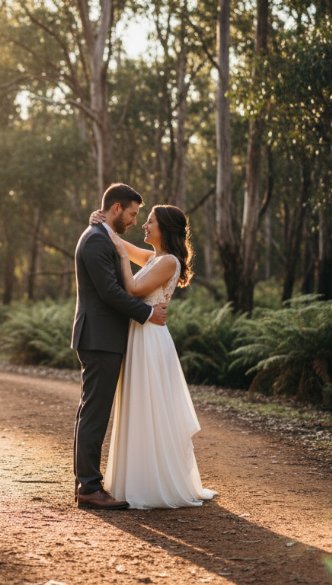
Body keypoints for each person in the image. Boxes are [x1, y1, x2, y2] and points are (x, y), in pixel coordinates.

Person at [94, 203, 216, 509]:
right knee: (139, 404)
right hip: (141, 334)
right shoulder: (154, 258)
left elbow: (134, 288)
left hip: (150, 339)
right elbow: (123, 244)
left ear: (165, 229)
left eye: (150, 222)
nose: (144, 226)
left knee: (151, 406)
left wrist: (121, 257)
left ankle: (153, 483)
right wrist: (103, 223)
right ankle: (137, 477)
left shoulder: (168, 262)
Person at [71, 183, 168, 510]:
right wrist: (148, 313)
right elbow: (111, 292)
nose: (133, 220)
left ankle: (89, 484)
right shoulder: (95, 241)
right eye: (131, 213)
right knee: (95, 413)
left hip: (105, 338)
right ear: (116, 209)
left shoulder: (101, 236)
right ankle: (88, 487)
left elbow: (126, 262)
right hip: (98, 338)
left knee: (94, 411)